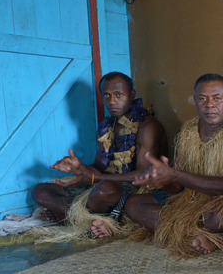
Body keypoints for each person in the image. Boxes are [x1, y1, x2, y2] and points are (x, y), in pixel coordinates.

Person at [124, 73, 223, 257]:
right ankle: (200, 235)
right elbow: (177, 187)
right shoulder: (188, 131)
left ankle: (187, 232)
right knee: (133, 205)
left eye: (217, 98)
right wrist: (162, 181)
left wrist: (175, 175)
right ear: (195, 101)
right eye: (202, 99)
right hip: (191, 200)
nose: (209, 104)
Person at [31, 72, 167, 239]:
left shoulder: (148, 126)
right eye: (107, 96)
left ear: (132, 95)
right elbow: (99, 168)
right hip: (101, 187)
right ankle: (89, 221)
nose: (112, 102)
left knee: (106, 189)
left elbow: (143, 175)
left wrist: (95, 178)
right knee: (41, 191)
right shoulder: (107, 127)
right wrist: (79, 169)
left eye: (118, 95)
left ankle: (70, 216)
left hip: (132, 192)